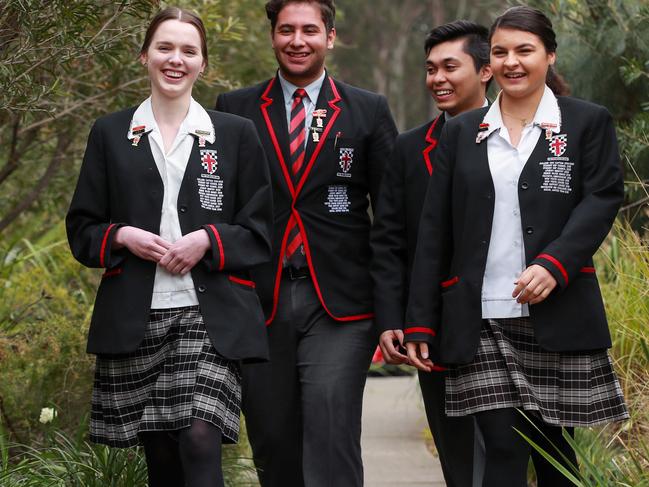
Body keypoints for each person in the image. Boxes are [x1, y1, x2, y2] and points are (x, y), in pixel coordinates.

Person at [404, 6, 629, 487]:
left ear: (549, 54)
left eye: (524, 51)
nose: (512, 62)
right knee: (504, 445)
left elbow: (602, 198)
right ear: (490, 63)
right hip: (480, 316)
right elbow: (434, 230)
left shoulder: (585, 123)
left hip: (559, 312)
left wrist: (555, 264)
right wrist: (421, 319)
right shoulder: (463, 133)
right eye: (501, 52)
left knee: (553, 451)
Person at [66, 7, 273, 487]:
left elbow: (260, 231)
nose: (175, 59)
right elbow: (82, 229)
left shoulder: (236, 135)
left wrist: (209, 239)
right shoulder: (111, 133)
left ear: (203, 63)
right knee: (160, 455)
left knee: (200, 437)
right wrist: (121, 235)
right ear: (144, 56)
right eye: (165, 47)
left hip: (209, 318)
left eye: (188, 50)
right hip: (136, 318)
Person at [215, 1, 397, 485]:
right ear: (272, 36)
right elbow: (219, 207)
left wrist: (395, 313)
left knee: (331, 427)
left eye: (309, 30)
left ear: (330, 37)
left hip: (340, 301)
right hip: (259, 299)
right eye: (286, 30)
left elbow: (391, 218)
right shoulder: (235, 109)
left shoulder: (367, 109)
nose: (298, 41)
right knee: (273, 443)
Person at [370, 20, 492, 487]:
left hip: (514, 316)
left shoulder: (521, 139)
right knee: (459, 457)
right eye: (430, 69)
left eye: (449, 67)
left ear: (485, 71)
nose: (437, 78)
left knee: (510, 450)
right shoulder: (408, 149)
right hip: (435, 323)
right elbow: (389, 242)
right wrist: (391, 319)